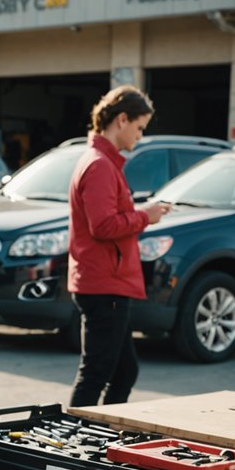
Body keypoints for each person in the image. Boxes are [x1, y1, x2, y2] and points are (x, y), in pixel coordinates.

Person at [67, 85, 170, 407]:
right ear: (122, 120)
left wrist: (138, 211)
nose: (140, 135)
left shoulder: (102, 162)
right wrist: (145, 216)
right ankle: (76, 441)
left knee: (124, 371)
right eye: (139, 127)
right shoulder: (99, 164)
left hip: (107, 284)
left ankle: (101, 434)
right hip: (104, 286)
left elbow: (107, 216)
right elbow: (103, 225)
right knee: (97, 373)